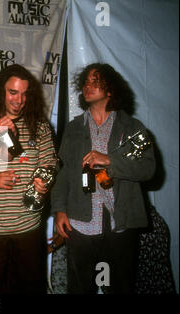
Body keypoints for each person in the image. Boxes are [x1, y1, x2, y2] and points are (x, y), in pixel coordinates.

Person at [51, 63, 156, 293]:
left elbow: (148, 168)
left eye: (95, 81)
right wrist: (59, 209)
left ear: (110, 90)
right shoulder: (74, 127)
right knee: (79, 288)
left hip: (119, 223)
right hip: (80, 221)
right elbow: (62, 172)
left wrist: (109, 160)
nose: (88, 86)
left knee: (119, 286)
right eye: (86, 82)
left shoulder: (132, 127)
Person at [0, 64, 57, 293]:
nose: (19, 100)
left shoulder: (40, 127)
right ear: (1, 91)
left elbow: (48, 165)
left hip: (28, 228)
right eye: (13, 92)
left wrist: (43, 183)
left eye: (24, 94)